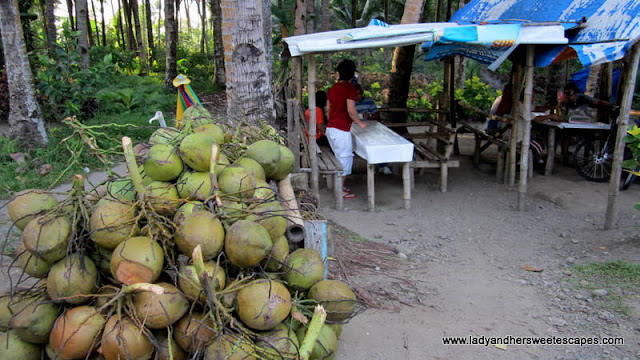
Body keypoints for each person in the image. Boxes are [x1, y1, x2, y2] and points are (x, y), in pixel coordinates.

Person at [326, 59, 367, 199]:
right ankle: (339, 190)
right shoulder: (349, 89)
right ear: (352, 73)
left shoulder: (332, 88)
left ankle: (340, 186)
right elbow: (351, 110)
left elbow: (328, 109)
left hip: (331, 128)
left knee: (339, 157)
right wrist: (359, 122)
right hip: (341, 129)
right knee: (345, 158)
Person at [354, 84, 391, 174]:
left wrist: (369, 116)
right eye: (354, 94)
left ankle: (383, 165)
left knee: (379, 142)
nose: (356, 96)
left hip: (370, 126)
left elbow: (377, 116)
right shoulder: (351, 102)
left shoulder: (369, 101)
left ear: (362, 93)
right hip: (355, 127)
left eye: (358, 94)